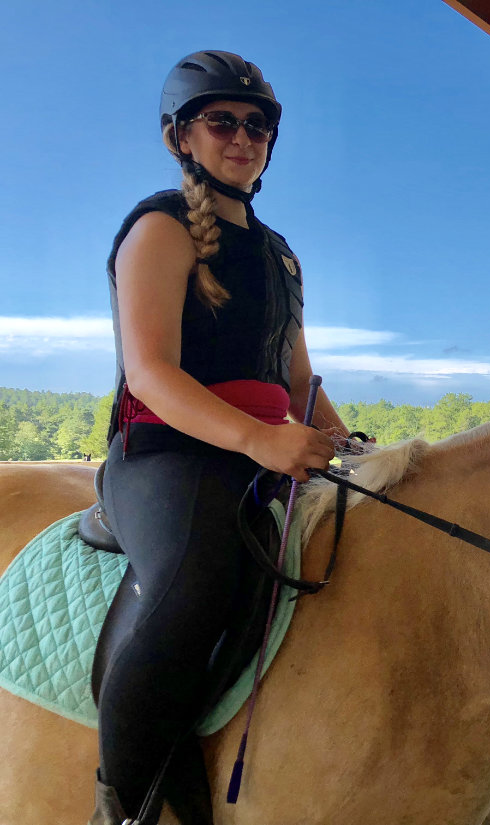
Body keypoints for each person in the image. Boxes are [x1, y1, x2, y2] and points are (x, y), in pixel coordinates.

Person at [91, 50, 347, 825]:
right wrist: (257, 439)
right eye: (223, 120)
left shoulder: (280, 256)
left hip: (259, 451)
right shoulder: (161, 228)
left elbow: (300, 375)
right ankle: (123, 806)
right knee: (194, 580)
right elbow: (151, 374)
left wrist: (344, 440)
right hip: (168, 453)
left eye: (258, 124)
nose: (244, 136)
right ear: (181, 136)